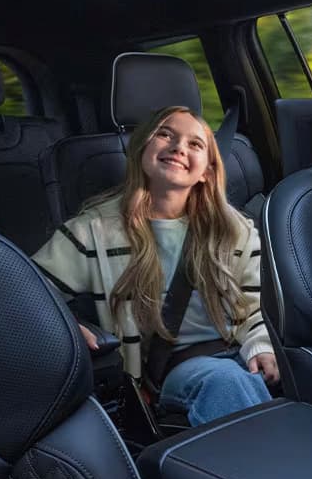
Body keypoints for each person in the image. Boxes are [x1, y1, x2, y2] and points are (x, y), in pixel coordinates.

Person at [34, 106, 279, 427]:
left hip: (238, 352)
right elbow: (25, 289)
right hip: (172, 370)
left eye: (195, 144)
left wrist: (260, 345)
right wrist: (63, 324)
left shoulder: (235, 229)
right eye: (165, 134)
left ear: (207, 169)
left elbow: (256, 307)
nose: (178, 147)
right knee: (224, 381)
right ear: (140, 150)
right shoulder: (92, 231)